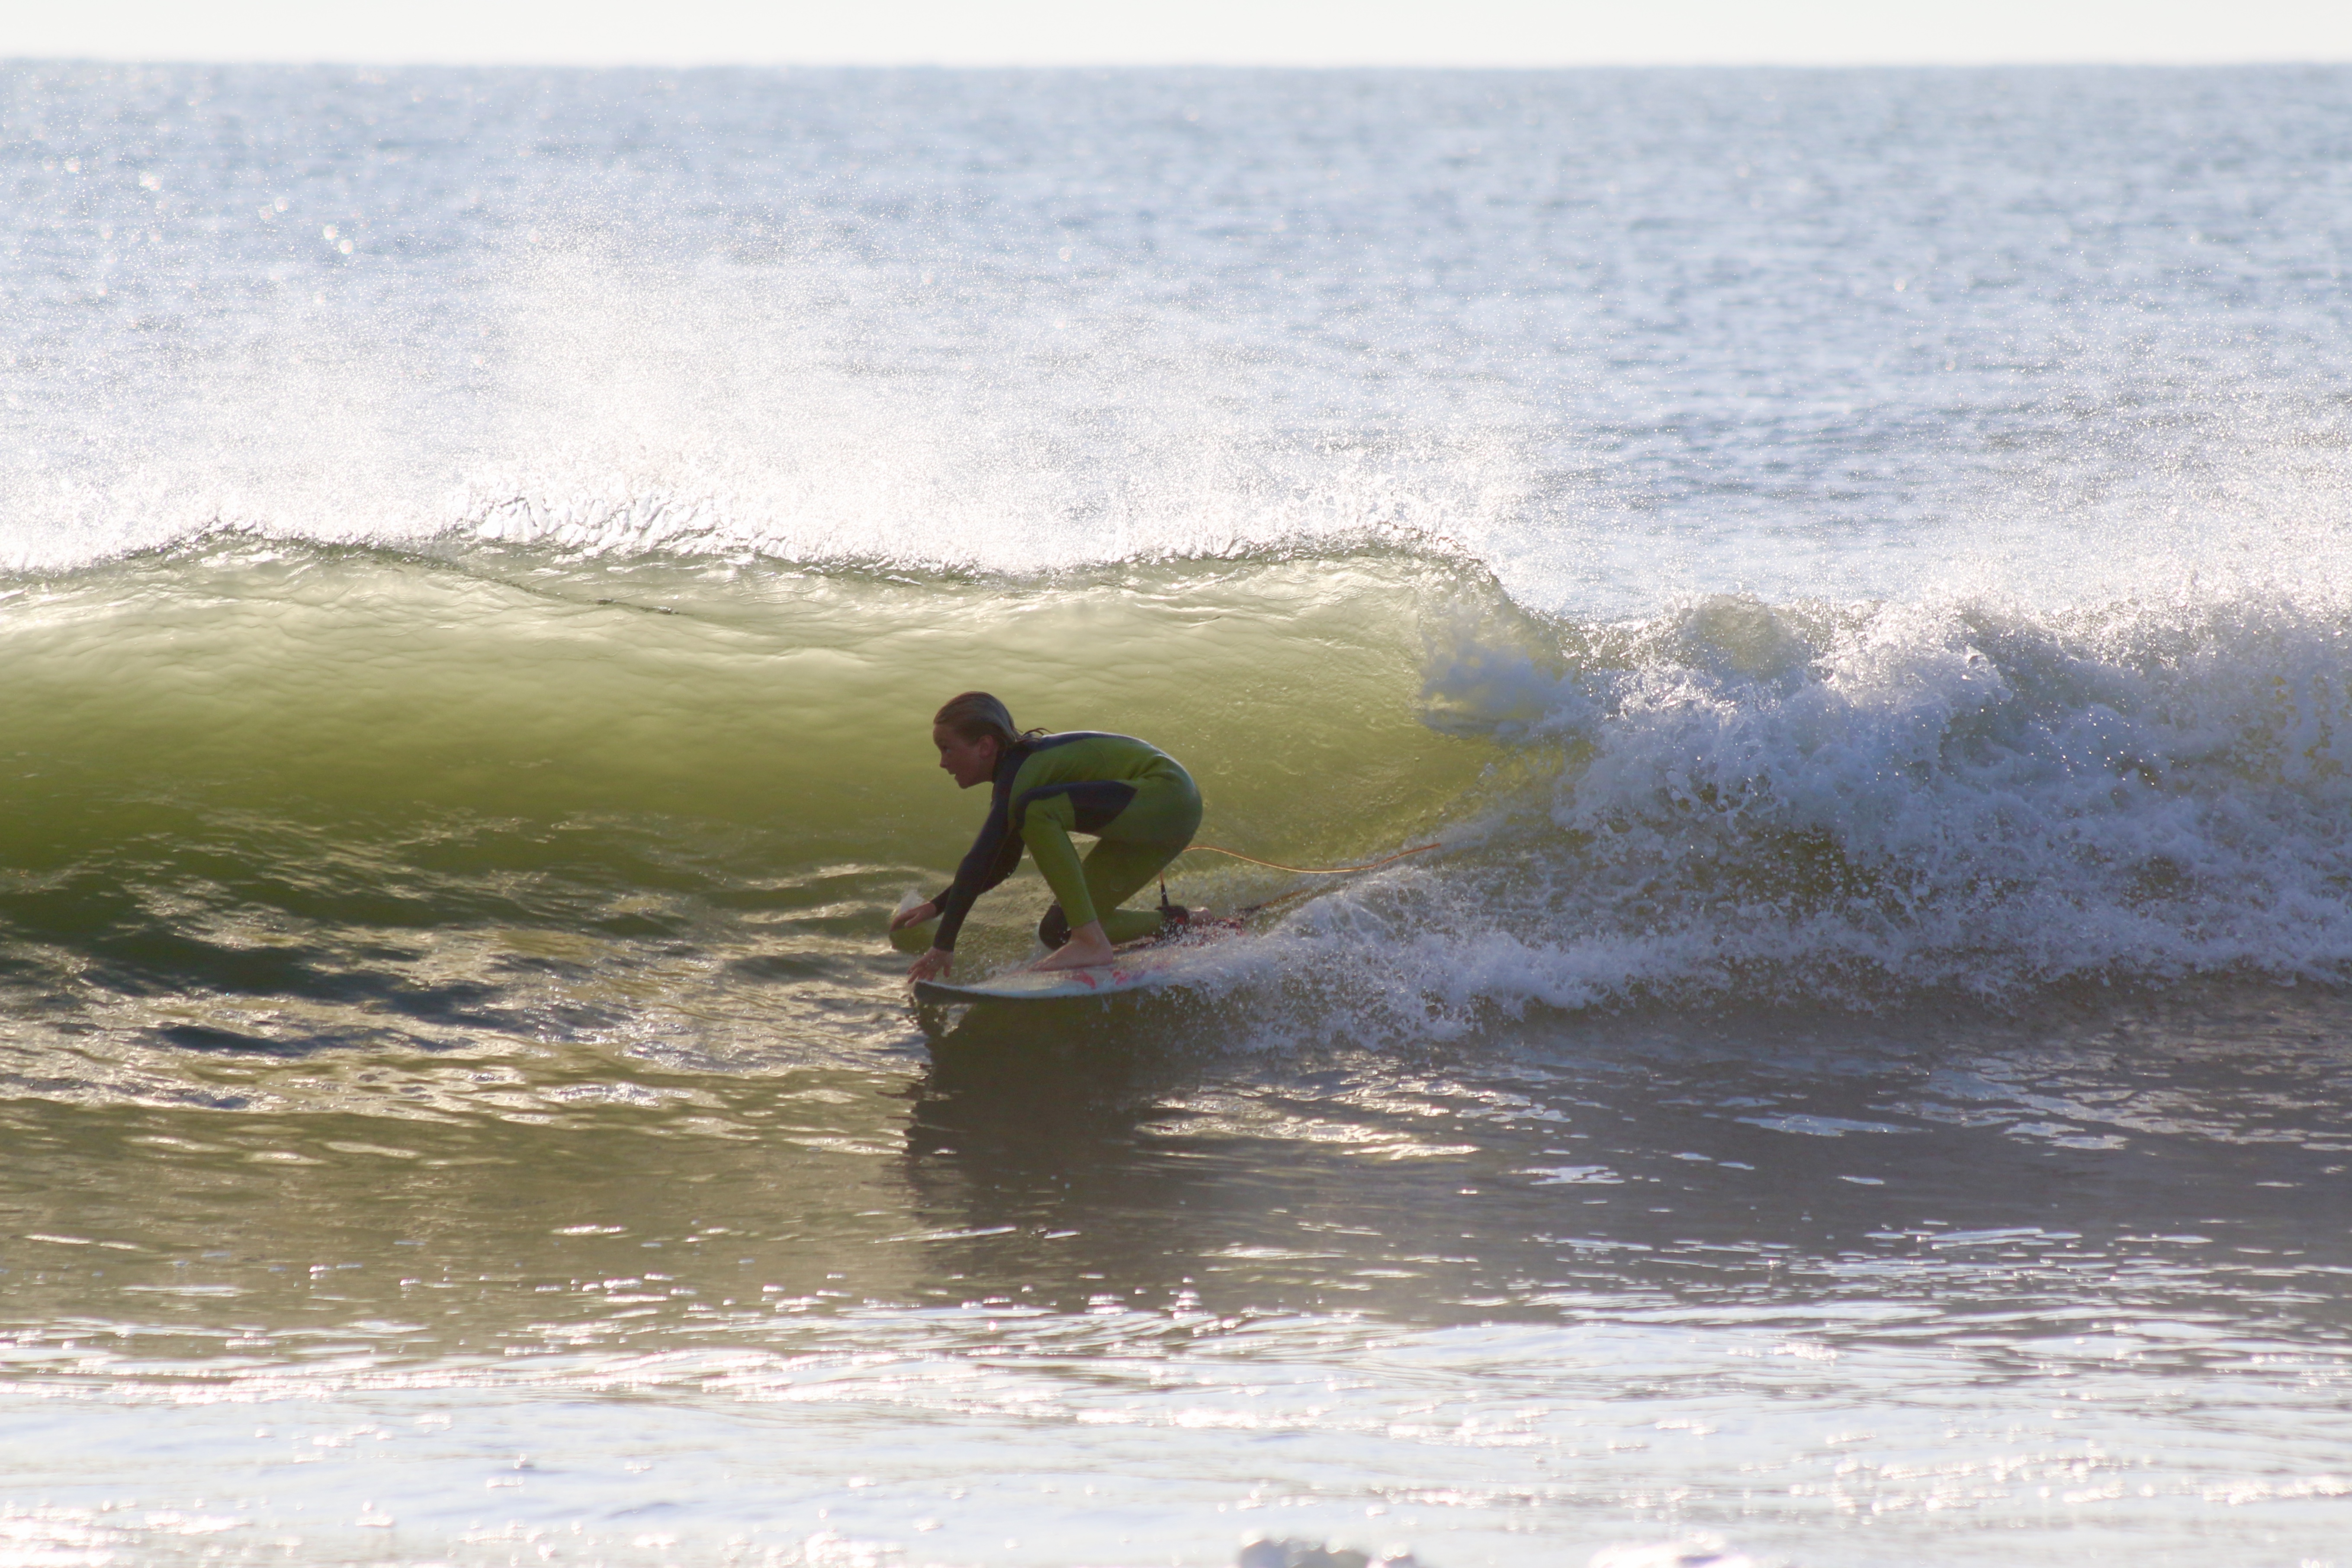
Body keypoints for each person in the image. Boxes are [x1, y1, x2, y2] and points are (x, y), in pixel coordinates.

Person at [893, 692, 1202, 983]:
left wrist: (944, 944)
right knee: (1057, 930)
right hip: (1154, 820)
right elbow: (1000, 864)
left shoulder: (1019, 774)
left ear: (985, 746)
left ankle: (1090, 942)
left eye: (947, 748)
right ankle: (1184, 923)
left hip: (1168, 797)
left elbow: (979, 859)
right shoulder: (1020, 780)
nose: (943, 763)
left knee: (1037, 810)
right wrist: (937, 906)